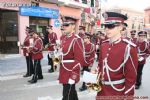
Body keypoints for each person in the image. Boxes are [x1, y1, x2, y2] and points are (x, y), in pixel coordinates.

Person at [96, 12, 138, 99]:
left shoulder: (128, 48)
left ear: (120, 27)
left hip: (117, 92)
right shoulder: (104, 44)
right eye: (105, 26)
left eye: (111, 26)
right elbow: (101, 65)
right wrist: (96, 73)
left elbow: (131, 78)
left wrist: (128, 97)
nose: (107, 29)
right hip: (101, 91)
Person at [58, 16, 84, 100]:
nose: (63, 27)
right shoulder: (64, 38)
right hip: (64, 70)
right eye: (63, 25)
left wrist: (74, 76)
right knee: (71, 93)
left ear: (73, 26)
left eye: (66, 25)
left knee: (67, 95)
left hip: (71, 72)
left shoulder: (77, 39)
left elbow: (79, 61)